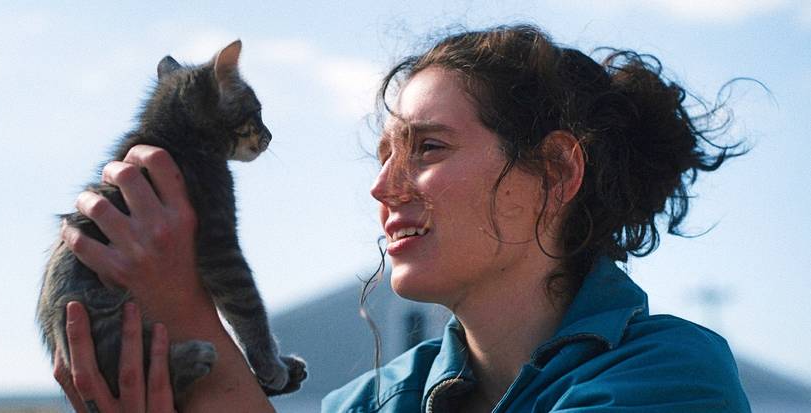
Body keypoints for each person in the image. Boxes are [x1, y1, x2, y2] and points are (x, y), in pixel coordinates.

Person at [55, 24, 751, 412]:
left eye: (428, 148)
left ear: (557, 172)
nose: (381, 188)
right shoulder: (365, 404)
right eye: (384, 153)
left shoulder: (673, 377)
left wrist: (188, 312)